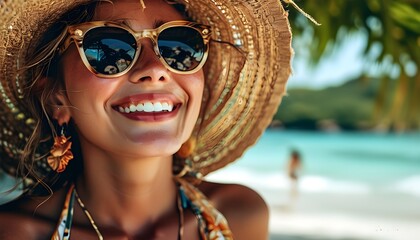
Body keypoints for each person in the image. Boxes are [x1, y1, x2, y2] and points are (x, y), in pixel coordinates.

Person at [0, 0, 292, 239]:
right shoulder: (13, 232)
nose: (154, 69)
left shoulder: (242, 215)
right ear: (56, 97)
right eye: (110, 48)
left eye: (179, 46)